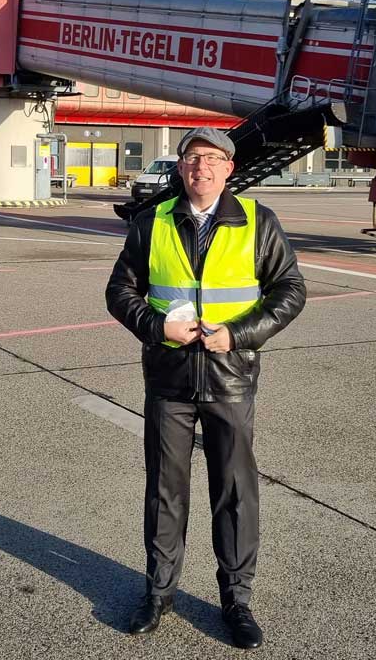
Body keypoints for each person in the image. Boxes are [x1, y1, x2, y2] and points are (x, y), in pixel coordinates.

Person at [105, 127, 307, 649]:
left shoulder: (259, 222)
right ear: (180, 167)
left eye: (215, 159)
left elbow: (290, 290)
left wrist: (238, 334)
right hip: (169, 381)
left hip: (231, 379)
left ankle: (236, 602)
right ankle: (158, 593)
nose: (204, 167)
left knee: (235, 493)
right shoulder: (153, 221)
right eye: (195, 158)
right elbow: (119, 289)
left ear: (229, 169)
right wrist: (156, 327)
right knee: (165, 492)